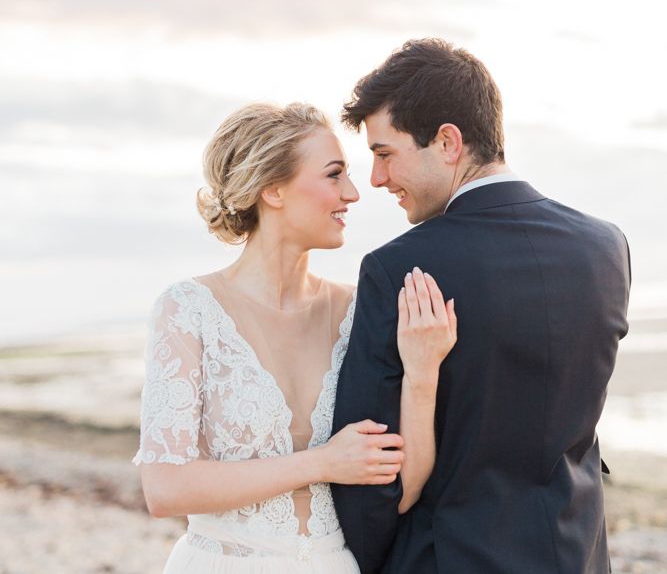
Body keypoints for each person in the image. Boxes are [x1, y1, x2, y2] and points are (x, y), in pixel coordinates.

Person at [331, 38, 631, 574]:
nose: (376, 179)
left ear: (448, 141)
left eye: (383, 155)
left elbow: (374, 471)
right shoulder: (607, 248)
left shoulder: (399, 269)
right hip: (577, 553)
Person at [132, 102, 457, 573]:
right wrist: (323, 463)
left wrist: (423, 374)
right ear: (273, 190)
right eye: (333, 175)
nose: (353, 192)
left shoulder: (357, 312)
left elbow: (404, 489)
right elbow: (165, 490)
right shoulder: (188, 309)